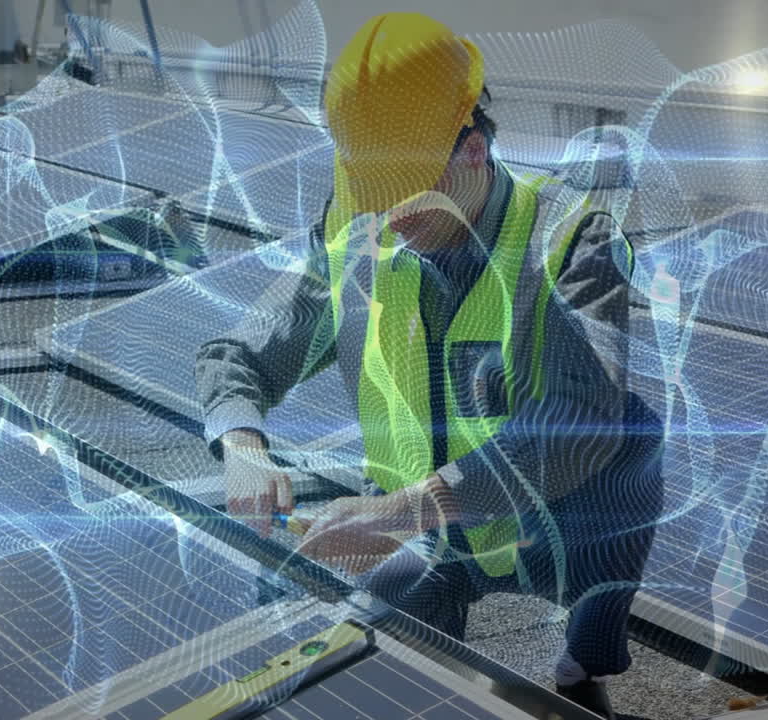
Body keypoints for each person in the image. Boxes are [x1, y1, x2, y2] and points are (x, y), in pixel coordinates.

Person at [194, 13, 665, 719]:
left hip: (550, 519)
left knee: (629, 440)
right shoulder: (355, 228)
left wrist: (401, 511)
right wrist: (241, 445)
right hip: (419, 526)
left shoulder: (571, 238)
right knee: (389, 678)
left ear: (473, 150)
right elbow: (241, 350)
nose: (386, 221)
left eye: (406, 193)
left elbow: (577, 422)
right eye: (370, 194)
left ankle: (579, 668)